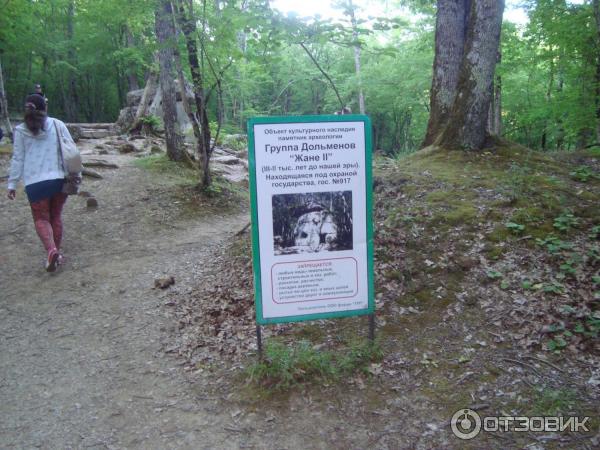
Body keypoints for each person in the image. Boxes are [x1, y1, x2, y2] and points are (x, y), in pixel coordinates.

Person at [6, 94, 75, 272]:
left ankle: (51, 251)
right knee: (55, 217)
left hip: (35, 183)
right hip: (59, 180)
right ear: (44, 108)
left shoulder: (20, 131)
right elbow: (72, 149)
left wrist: (12, 184)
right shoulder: (57, 124)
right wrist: (77, 173)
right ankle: (56, 254)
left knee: (41, 219)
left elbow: (18, 159)